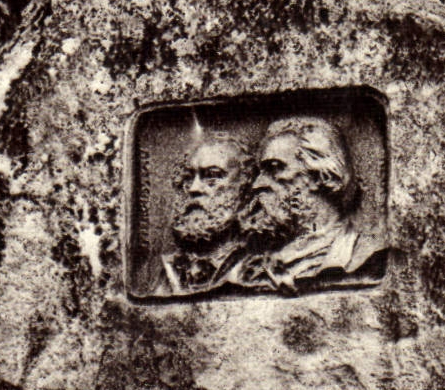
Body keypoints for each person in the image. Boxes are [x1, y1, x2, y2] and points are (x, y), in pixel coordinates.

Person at [235, 115, 383, 293]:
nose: (257, 184)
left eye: (275, 167)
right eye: (261, 172)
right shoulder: (251, 268)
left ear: (321, 176)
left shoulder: (366, 255)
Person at [149, 132, 253, 296]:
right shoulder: (169, 273)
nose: (193, 188)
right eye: (188, 178)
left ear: (244, 187)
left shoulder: (255, 268)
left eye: (212, 176)